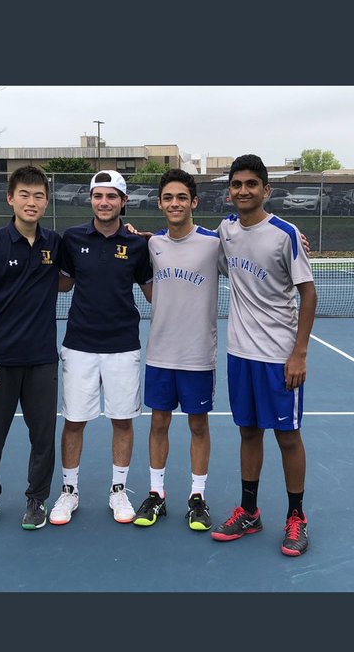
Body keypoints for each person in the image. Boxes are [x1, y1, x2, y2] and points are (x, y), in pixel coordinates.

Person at [212, 154, 317, 556]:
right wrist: (141, 235)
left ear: (266, 190)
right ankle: (250, 511)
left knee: (288, 437)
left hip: (279, 356)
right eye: (237, 184)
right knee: (249, 432)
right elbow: (191, 238)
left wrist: (299, 353)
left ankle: (297, 516)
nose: (243, 190)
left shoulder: (285, 234)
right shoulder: (226, 231)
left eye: (251, 184)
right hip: (240, 354)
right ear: (230, 191)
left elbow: (308, 292)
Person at [49, 170, 153, 525]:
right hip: (79, 345)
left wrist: (159, 244)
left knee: (122, 420)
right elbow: (62, 284)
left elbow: (154, 292)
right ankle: (68, 492)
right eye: (98, 196)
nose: (104, 202)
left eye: (111, 196)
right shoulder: (72, 239)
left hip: (123, 346)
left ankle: (118, 491)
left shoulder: (139, 245)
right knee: (74, 421)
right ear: (91, 200)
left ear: (124, 202)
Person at [0, 164, 63, 531]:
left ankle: (36, 500)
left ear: (47, 202)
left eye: (39, 196)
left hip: (41, 361)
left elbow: (82, 263)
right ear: (10, 198)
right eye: (24, 194)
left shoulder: (56, 244)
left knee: (42, 437)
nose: (31, 202)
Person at [133, 169, 221, 532]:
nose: (175, 203)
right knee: (158, 422)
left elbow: (251, 252)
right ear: (160, 203)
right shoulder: (152, 245)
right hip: (160, 353)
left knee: (198, 425)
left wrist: (294, 237)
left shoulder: (215, 244)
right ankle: (157, 495)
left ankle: (197, 497)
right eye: (168, 198)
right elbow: (149, 279)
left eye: (181, 197)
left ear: (194, 202)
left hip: (198, 354)